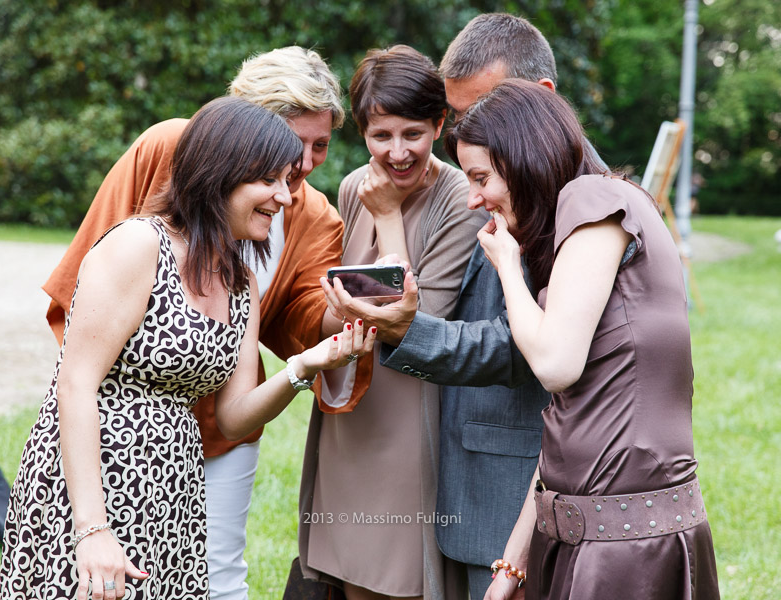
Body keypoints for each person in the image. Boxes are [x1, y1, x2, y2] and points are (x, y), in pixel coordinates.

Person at [0, 97, 376, 600]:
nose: (285, 197)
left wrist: (305, 366)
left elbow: (235, 417)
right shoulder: (139, 245)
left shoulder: (241, 283)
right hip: (93, 485)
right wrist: (92, 531)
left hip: (173, 494)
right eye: (270, 181)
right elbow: (74, 384)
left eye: (287, 181)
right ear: (222, 174)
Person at [322, 14, 597, 599]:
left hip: (503, 469)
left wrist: (395, 314)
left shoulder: (572, 205)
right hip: (410, 426)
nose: (463, 139)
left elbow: (519, 345)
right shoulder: (496, 182)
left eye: (469, 118)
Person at [448, 79, 720, 600]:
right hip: (591, 541)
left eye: (481, 177)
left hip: (624, 555)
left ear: (525, 160)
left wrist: (507, 265)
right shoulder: (590, 224)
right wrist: (514, 562)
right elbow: (569, 422)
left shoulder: (591, 196)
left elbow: (555, 365)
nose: (472, 198)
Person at [300, 45, 485, 600]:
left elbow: (418, 317)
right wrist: (345, 310)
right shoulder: (355, 184)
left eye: (413, 134)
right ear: (362, 132)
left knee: (400, 572)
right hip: (354, 397)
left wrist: (388, 217)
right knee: (351, 571)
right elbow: (341, 293)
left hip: (410, 411)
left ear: (439, 123)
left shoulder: (459, 197)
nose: (398, 152)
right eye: (382, 137)